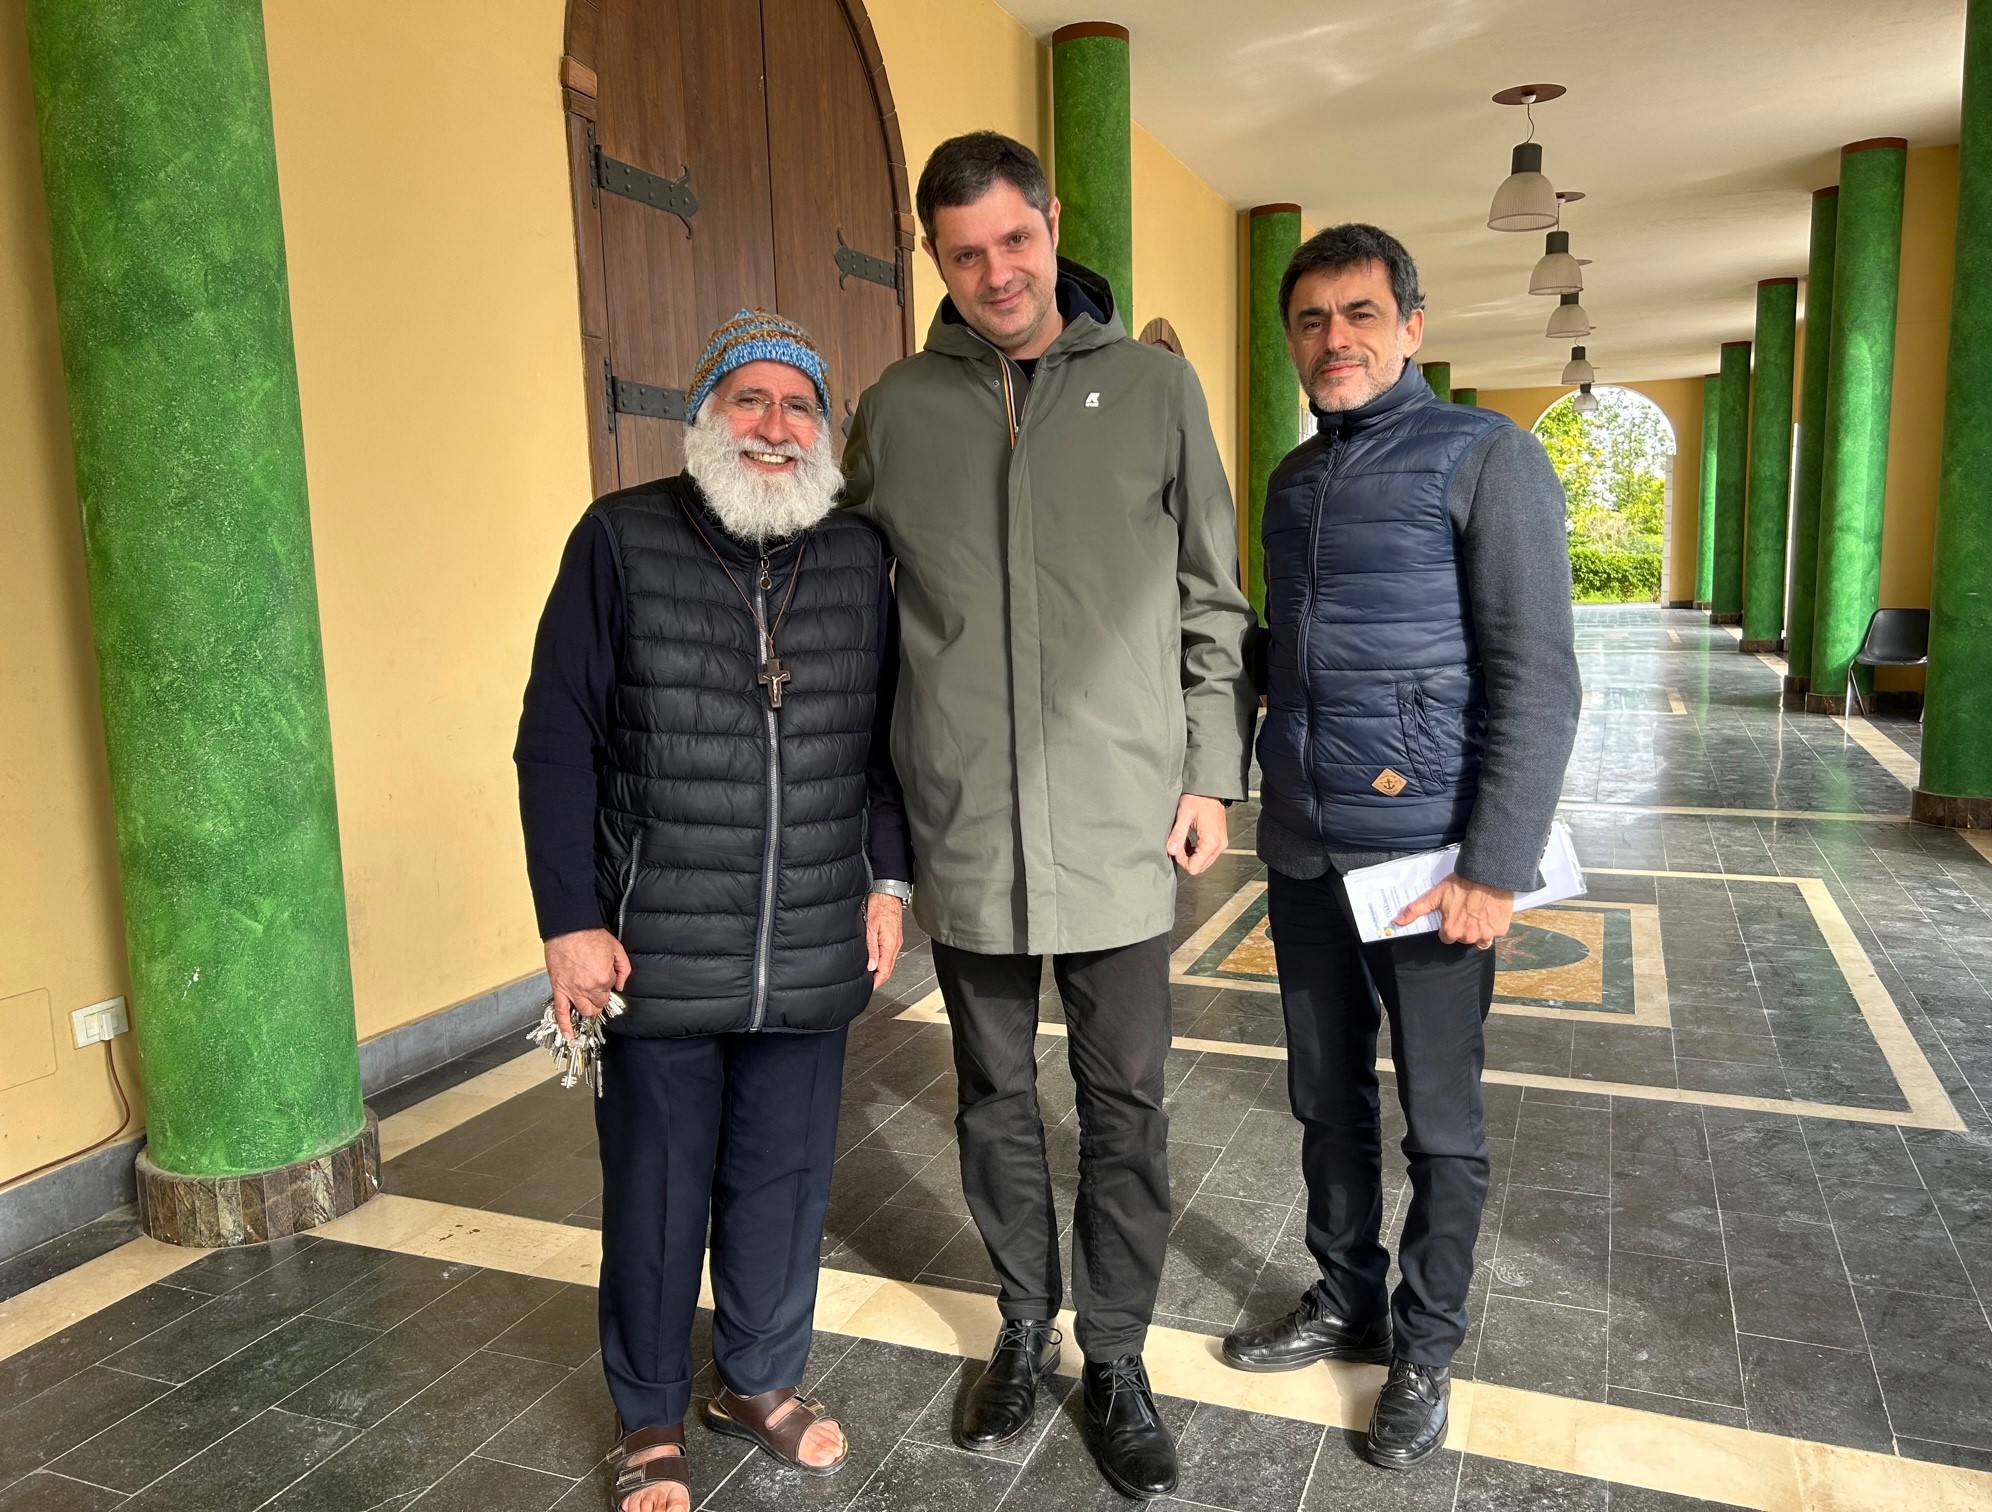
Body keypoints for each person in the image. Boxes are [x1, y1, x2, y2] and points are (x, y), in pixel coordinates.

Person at [842, 131, 1254, 1501]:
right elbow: (850, 604)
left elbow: (1212, 598)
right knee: (994, 1098)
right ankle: (1025, 1324)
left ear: (1053, 223)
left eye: (1015, 240)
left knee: (1124, 1104)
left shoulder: (1154, 390)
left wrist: (1210, 773)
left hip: (1123, 825)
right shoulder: (898, 410)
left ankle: (1117, 1354)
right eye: (966, 253)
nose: (998, 273)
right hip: (966, 825)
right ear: (935, 257)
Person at [514, 309, 912, 1512]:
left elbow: (887, 744)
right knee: (655, 1193)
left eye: (799, 406)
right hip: (658, 943)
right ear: (705, 417)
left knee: (784, 1183)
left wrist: (889, 880)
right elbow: (555, 743)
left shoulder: (858, 556)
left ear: (825, 431)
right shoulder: (618, 539)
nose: (775, 427)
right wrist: (570, 921)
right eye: (750, 400)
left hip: (811, 933)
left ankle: (758, 1380)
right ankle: (647, 1414)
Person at [1219, 225, 1579, 1472]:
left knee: (1440, 1121)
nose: (1336, 339)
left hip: (1429, 864)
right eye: (1312, 320)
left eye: (1361, 314)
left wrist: (1496, 864)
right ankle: (1346, 1297)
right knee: (1325, 1101)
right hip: (1306, 848)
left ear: (1413, 327)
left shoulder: (1488, 456)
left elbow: (1538, 677)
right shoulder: (1292, 482)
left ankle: (1424, 1346)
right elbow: (1293, 657)